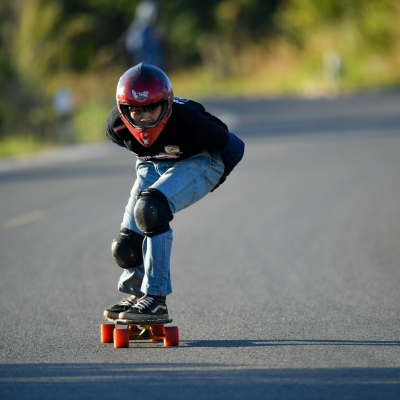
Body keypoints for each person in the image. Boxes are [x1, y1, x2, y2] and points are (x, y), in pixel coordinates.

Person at [103, 63, 244, 322]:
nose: (144, 118)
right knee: (126, 247)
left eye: (152, 108)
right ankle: (137, 296)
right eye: (136, 111)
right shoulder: (118, 127)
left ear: (166, 105)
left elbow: (235, 147)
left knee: (151, 210)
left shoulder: (190, 121)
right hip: (153, 163)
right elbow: (146, 154)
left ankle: (155, 299)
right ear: (124, 111)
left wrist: (213, 181)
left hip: (201, 161)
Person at [124, 1, 164, 68]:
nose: (156, 18)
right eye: (155, 15)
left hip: (154, 67)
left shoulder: (153, 29)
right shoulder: (139, 29)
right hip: (143, 67)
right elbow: (134, 47)